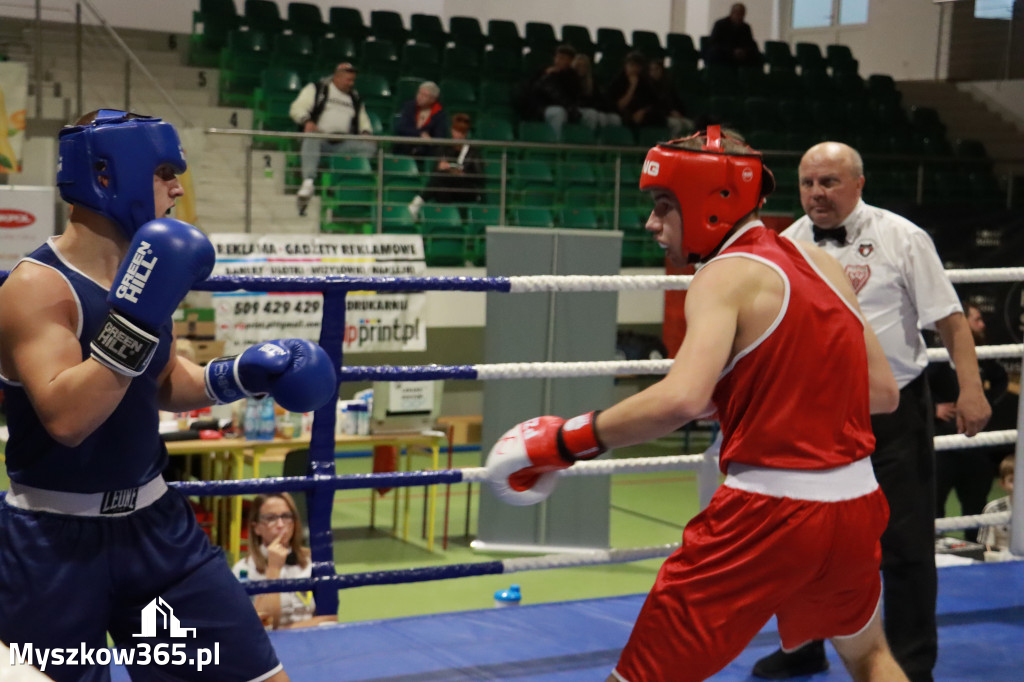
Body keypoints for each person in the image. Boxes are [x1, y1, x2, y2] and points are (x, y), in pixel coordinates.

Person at [485, 126, 908, 682]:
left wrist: (563, 441)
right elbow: (882, 392)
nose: (652, 224)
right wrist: (753, 389)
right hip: (855, 504)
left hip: (768, 515)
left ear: (712, 201)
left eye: (664, 206)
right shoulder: (819, 262)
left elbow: (680, 398)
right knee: (870, 656)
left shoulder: (723, 275)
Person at [0, 109, 338, 681]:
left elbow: (156, 382)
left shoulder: (143, 269)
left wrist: (240, 375)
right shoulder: (36, 286)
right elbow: (68, 417)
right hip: (53, 547)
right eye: (162, 171)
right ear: (106, 175)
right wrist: (136, 316)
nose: (178, 187)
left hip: (156, 534)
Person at [752, 141, 992, 682]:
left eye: (830, 182)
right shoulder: (784, 244)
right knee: (803, 537)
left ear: (859, 184)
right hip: (811, 416)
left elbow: (951, 321)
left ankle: (908, 664)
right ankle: (802, 647)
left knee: (905, 544)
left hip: (895, 414)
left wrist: (972, 389)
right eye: (809, 183)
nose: (817, 193)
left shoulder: (902, 237)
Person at [931, 303, 1009, 541]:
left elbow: (1001, 379)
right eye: (976, 319)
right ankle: (935, 550)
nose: (982, 324)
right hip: (943, 441)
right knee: (934, 503)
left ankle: (975, 555)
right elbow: (915, 385)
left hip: (974, 441)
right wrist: (933, 407)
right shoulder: (933, 355)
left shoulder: (982, 355)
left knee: (975, 504)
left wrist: (983, 400)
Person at [233, 493, 337, 630]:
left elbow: (330, 619)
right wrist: (274, 569)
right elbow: (264, 627)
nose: (281, 525)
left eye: (286, 516)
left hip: (311, 642)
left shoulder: (313, 560)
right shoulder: (243, 570)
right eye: (271, 518)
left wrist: (284, 630)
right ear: (256, 527)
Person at [290, 62, 376, 215]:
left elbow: (363, 120)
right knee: (311, 136)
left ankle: (343, 182)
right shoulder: (317, 89)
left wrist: (366, 132)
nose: (351, 83)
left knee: (369, 146)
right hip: (320, 138)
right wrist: (306, 121)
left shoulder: (354, 97)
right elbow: (297, 108)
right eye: (348, 80)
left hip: (342, 143)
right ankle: (308, 182)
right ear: (337, 77)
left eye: (353, 80)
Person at [407, 113, 484, 219]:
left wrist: (462, 174)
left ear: (466, 134)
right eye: (456, 132)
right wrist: (441, 167)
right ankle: (447, 217)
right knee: (440, 182)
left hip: (466, 189)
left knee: (440, 181)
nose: (458, 135)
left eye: (461, 133)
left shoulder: (473, 152)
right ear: (452, 131)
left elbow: (479, 176)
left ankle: (418, 203)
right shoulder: (445, 148)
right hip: (447, 186)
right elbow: (435, 172)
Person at [525, 44, 596, 137]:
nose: (558, 61)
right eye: (557, 57)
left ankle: (586, 142)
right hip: (544, 107)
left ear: (570, 61)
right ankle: (557, 143)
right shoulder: (546, 74)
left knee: (591, 114)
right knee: (559, 112)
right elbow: (553, 95)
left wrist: (573, 109)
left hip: (568, 108)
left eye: (563, 58)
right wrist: (571, 109)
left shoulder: (573, 77)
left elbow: (578, 97)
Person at [606, 52, 666, 131]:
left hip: (641, 116)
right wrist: (632, 87)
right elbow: (618, 106)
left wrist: (642, 111)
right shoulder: (617, 83)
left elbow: (654, 102)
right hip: (621, 115)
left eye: (637, 66)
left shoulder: (644, 82)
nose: (634, 69)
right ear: (625, 66)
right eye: (631, 65)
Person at [393, 81, 449, 160]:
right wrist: (420, 134)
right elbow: (401, 127)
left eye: (424, 95)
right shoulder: (409, 106)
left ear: (433, 99)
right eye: (419, 93)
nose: (419, 97)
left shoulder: (439, 113)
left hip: (427, 150)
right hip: (406, 145)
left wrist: (429, 140)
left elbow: (440, 136)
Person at [572, 53, 621, 130]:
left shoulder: (592, 83)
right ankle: (589, 137)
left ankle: (605, 140)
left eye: (584, 66)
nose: (581, 68)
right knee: (592, 114)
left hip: (592, 108)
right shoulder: (569, 80)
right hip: (576, 109)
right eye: (578, 66)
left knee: (614, 118)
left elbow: (599, 99)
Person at [705, 3, 762, 67]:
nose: (740, 16)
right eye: (738, 13)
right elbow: (714, 43)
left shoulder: (745, 27)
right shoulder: (720, 25)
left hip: (741, 55)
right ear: (732, 13)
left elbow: (750, 43)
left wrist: (744, 52)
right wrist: (731, 52)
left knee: (756, 56)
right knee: (715, 52)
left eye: (742, 14)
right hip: (725, 53)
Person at [648, 57, 692, 139]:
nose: (654, 72)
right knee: (677, 125)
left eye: (656, 69)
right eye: (651, 70)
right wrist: (669, 113)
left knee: (690, 124)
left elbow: (676, 102)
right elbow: (653, 105)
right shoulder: (647, 86)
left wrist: (678, 113)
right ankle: (672, 145)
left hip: (671, 116)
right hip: (658, 116)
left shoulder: (667, 86)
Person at [978, 455, 1014, 552]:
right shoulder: (993, 509)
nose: (1019, 484)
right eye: (1012, 480)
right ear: (1002, 483)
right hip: (1001, 563)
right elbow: (986, 546)